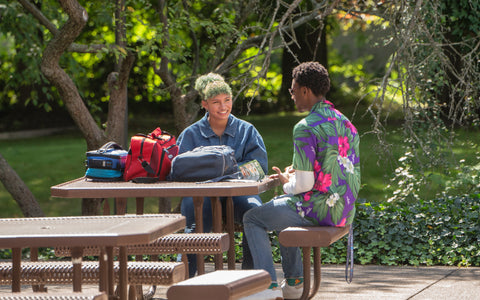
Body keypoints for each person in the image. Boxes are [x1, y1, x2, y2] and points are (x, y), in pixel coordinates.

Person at [241, 62, 361, 300]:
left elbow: (304, 186)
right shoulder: (346, 123)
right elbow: (334, 168)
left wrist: (287, 181)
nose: (292, 95)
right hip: (345, 210)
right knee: (286, 205)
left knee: (252, 218)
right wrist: (297, 179)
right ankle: (294, 284)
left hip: (320, 208)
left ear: (305, 90)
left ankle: (266, 287)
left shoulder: (305, 127)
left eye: (293, 90)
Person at [176, 73, 268, 277]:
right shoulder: (190, 134)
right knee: (195, 226)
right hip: (201, 196)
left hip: (240, 194)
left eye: (227, 100)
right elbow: (179, 170)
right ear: (204, 104)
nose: (223, 106)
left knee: (256, 214)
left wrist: (228, 172)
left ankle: (251, 279)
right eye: (216, 102)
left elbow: (260, 167)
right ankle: (185, 281)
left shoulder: (247, 131)